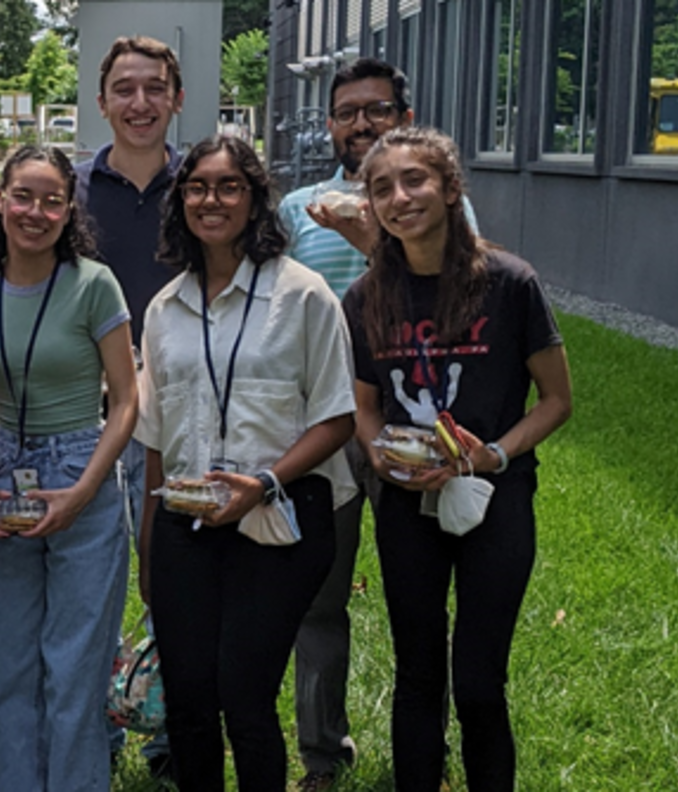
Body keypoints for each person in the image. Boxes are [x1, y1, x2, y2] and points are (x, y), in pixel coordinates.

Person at [346, 126, 571, 792]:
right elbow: (364, 406)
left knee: (477, 682)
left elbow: (556, 400)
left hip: (494, 498)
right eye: (382, 188)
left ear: (449, 188)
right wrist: (379, 456)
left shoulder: (509, 284)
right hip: (407, 502)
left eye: (414, 179)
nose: (399, 198)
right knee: (417, 675)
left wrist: (493, 455)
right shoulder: (366, 297)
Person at [137, 135, 357, 791]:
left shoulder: (303, 296)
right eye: (197, 187)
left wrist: (262, 483)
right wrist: (150, 547)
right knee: (189, 700)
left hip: (281, 517)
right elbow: (155, 439)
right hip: (186, 520)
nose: (212, 200)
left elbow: (338, 417)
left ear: (255, 199)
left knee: (244, 695)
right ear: (180, 201)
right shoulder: (165, 308)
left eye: (229, 186)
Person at [0, 145, 137, 791]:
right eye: (23, 197)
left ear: (68, 211)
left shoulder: (94, 284)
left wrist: (85, 489)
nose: (35, 213)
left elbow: (126, 401)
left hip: (80, 465)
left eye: (52, 201)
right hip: (7, 473)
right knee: (9, 668)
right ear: (0, 200)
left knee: (74, 670)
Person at [274, 57, 412, 791]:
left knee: (417, 597)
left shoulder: (436, 203)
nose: (362, 124)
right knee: (318, 599)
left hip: (408, 423)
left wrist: (371, 238)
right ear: (328, 124)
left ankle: (421, 753)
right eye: (348, 112)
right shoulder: (299, 208)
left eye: (378, 110)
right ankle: (321, 757)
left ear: (405, 119)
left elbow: (458, 290)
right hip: (322, 425)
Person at [72, 34, 184, 777]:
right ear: (102, 101)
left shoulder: (203, 184)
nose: (139, 103)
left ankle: (170, 731)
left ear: (176, 99)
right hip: (92, 411)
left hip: (188, 410)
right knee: (97, 579)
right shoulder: (71, 190)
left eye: (154, 89)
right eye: (124, 89)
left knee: (175, 569)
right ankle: (101, 732)